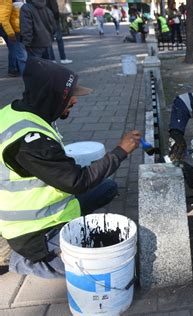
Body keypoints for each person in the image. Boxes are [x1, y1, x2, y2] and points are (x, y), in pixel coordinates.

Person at [1, 58, 141, 278]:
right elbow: (78, 182)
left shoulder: (17, 112)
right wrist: (120, 151)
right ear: (50, 97)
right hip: (34, 230)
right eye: (68, 96)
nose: (75, 100)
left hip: (51, 205)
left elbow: (63, 173)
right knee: (107, 268)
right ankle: (25, 261)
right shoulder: (30, 141)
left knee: (107, 188)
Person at [0, 0, 27, 76]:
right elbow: (4, 19)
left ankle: (14, 67)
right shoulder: (6, 1)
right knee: (13, 47)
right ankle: (13, 69)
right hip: (3, 26)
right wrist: (11, 33)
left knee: (13, 47)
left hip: (3, 25)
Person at [46, 0, 72, 64]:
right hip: (53, 18)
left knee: (49, 41)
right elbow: (55, 8)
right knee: (59, 39)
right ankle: (63, 58)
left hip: (45, 19)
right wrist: (57, 16)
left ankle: (52, 59)